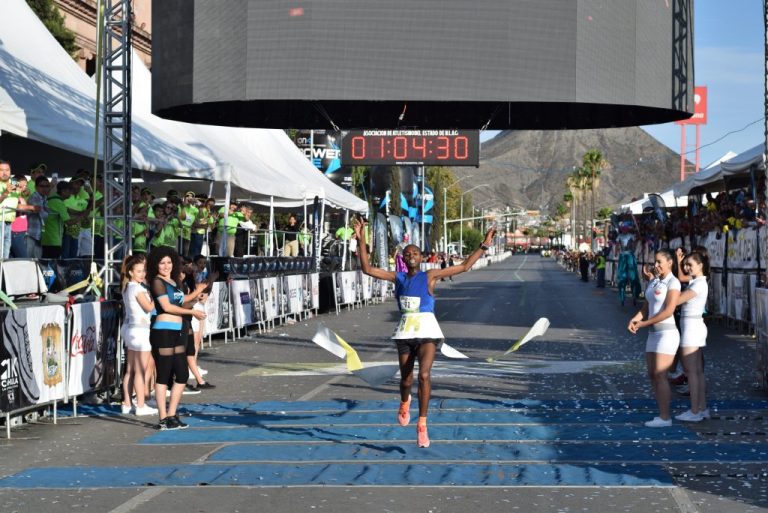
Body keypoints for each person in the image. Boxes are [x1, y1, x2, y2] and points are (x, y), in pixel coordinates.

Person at [354, 217, 496, 448]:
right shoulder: (397, 277)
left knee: (424, 376)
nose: (411, 256)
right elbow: (367, 269)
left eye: (415, 253)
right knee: (407, 379)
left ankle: (422, 424)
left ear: (421, 258)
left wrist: (484, 244)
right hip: (405, 333)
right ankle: (404, 401)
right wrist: (361, 240)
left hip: (428, 331)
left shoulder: (430, 276)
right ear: (403, 258)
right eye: (407, 254)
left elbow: (464, 266)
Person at [147, 246, 207, 430]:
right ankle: (163, 417)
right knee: (164, 374)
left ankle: (172, 414)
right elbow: (167, 307)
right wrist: (192, 312)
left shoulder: (173, 281)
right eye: (162, 263)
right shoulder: (157, 281)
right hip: (163, 331)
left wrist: (198, 294)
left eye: (169, 262)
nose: (166, 266)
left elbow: (182, 301)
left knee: (181, 374)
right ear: (155, 264)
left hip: (178, 329)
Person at [628, 249, 681, 427]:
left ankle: (666, 417)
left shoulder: (673, 283)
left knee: (660, 375)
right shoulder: (655, 281)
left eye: (659, 262)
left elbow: (669, 310)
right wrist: (636, 318)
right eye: (655, 262)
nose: (656, 265)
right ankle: (661, 414)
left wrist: (645, 323)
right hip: (653, 334)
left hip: (667, 333)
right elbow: (647, 306)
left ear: (669, 262)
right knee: (652, 375)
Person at [673, 251, 710, 422]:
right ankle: (701, 408)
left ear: (700, 265)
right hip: (693, 326)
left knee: (692, 372)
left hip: (692, 328)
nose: (687, 268)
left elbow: (677, 300)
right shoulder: (697, 282)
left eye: (690, 265)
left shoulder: (699, 284)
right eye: (686, 264)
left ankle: (695, 411)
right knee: (697, 371)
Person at [120, 254, 158, 416]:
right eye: (139, 271)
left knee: (130, 369)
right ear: (130, 272)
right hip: (139, 331)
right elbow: (149, 307)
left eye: (144, 271)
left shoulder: (128, 287)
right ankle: (140, 405)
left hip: (130, 329)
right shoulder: (136, 288)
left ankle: (127, 403)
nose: (142, 274)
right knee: (140, 370)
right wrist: (158, 295)